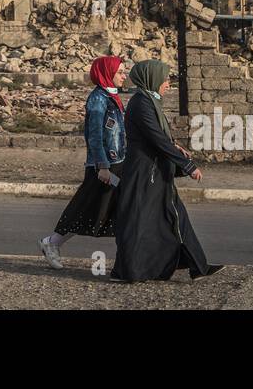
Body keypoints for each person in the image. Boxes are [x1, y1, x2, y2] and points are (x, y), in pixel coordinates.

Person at [111, 59, 224, 282]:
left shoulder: (150, 102)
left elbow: (161, 138)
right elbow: (157, 139)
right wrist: (188, 166)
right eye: (164, 79)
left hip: (154, 172)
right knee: (140, 223)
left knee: (173, 217)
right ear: (152, 78)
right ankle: (127, 271)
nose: (168, 84)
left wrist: (175, 147)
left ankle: (197, 266)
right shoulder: (142, 104)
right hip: (145, 173)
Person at [38, 55, 128, 269]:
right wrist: (103, 166)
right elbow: (95, 135)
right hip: (102, 168)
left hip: (117, 163)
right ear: (107, 73)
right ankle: (51, 243)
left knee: (119, 209)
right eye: (121, 72)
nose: (125, 75)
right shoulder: (98, 99)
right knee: (86, 209)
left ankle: (128, 257)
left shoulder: (113, 96)